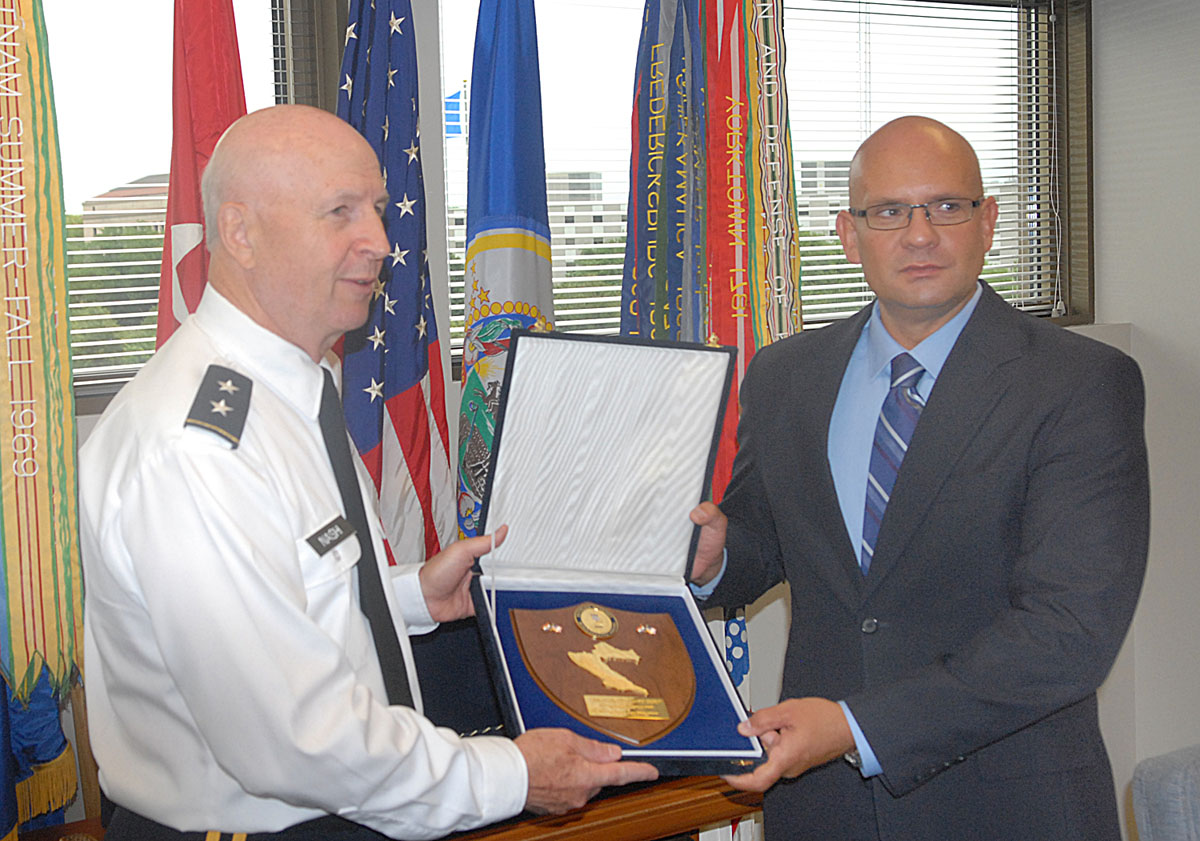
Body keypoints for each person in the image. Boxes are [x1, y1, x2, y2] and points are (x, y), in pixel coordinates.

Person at [79, 104, 657, 841]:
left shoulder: (292, 385)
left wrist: (409, 596)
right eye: (340, 212)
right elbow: (296, 739)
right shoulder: (198, 446)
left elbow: (291, 591)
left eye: (379, 210)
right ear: (240, 233)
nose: (381, 242)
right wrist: (513, 776)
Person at [688, 116, 1149, 841]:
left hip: (1010, 806)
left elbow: (1069, 631)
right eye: (889, 212)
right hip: (823, 808)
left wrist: (855, 726)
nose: (920, 235)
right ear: (849, 234)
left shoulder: (1080, 383)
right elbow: (766, 542)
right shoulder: (785, 375)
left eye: (947, 206)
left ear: (987, 222)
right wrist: (716, 558)